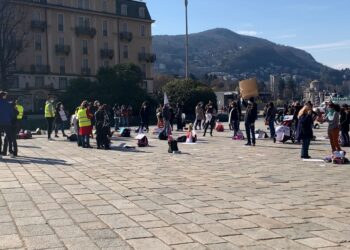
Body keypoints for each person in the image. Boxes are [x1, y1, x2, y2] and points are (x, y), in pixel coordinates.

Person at [0, 91, 13, 159]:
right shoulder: (7, 103)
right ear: (3, 96)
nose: (6, 96)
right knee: (9, 138)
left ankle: (0, 154)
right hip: (7, 122)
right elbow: (11, 113)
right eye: (5, 95)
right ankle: (10, 152)